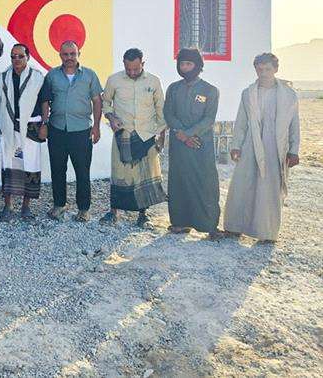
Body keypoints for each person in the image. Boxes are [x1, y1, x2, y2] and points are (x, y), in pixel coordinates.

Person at [223, 53, 300, 243]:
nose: (263, 73)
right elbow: (241, 122)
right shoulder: (248, 93)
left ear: (275, 69)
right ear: (255, 69)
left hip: (276, 147)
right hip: (251, 144)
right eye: (260, 69)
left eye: (267, 69)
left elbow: (294, 125)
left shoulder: (289, 95)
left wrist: (294, 150)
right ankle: (235, 227)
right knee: (243, 183)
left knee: (270, 189)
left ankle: (267, 233)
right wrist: (236, 145)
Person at [100, 48, 167, 227]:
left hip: (146, 135)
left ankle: (143, 214)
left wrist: (161, 135)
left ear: (142, 64)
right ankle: (113, 212)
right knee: (119, 174)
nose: (131, 72)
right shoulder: (114, 80)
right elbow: (106, 103)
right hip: (124, 134)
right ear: (124, 64)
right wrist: (111, 117)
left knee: (144, 176)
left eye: (136, 69)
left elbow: (161, 109)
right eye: (128, 69)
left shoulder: (154, 81)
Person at [39, 41, 103, 222]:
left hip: (81, 131)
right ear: (60, 55)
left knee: (82, 171)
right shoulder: (52, 76)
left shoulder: (89, 75)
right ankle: (59, 205)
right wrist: (44, 123)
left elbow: (97, 101)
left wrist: (96, 126)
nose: (69, 58)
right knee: (57, 169)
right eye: (65, 54)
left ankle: (83, 209)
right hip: (57, 129)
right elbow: (45, 101)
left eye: (72, 54)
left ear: (78, 54)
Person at [163, 48, 222, 238]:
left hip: (201, 144)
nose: (185, 68)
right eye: (182, 64)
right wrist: (181, 134)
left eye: (189, 64)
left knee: (205, 183)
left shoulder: (210, 90)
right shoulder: (173, 88)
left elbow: (209, 119)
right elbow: (168, 113)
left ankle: (209, 225)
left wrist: (188, 135)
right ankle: (180, 223)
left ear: (198, 66)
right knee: (179, 181)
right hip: (179, 144)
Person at [0, 44, 46, 221]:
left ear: (28, 57)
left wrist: (45, 124)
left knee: (30, 166)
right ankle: (8, 206)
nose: (16, 59)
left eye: (20, 56)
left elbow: (45, 102)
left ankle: (26, 207)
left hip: (31, 128)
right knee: (9, 165)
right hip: (9, 127)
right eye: (13, 56)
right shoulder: (2, 78)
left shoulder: (37, 77)